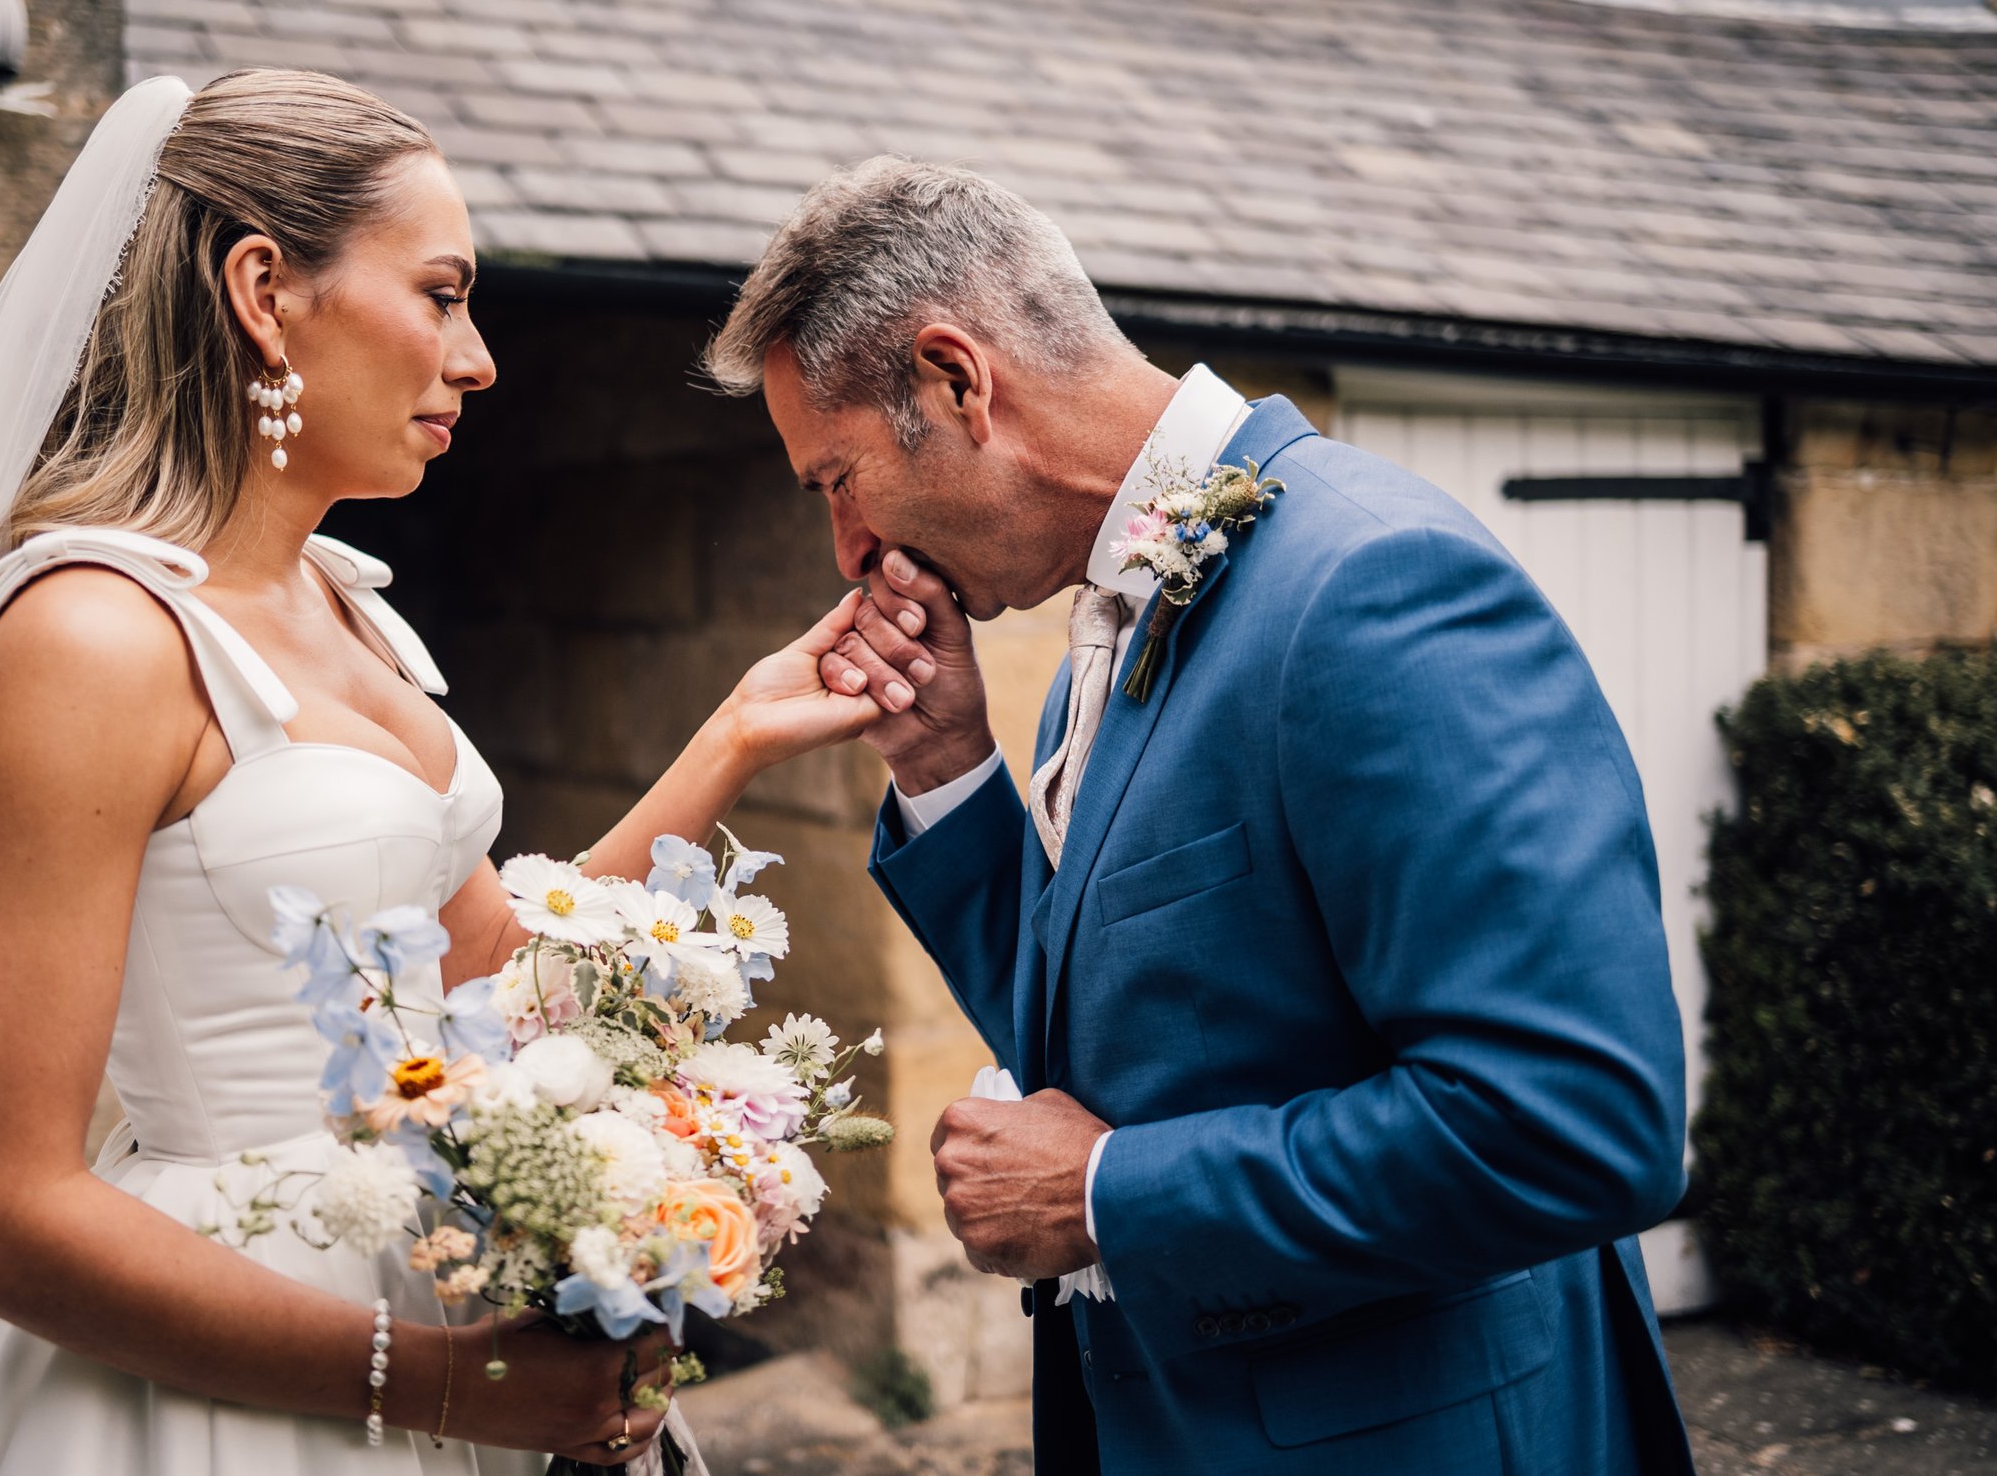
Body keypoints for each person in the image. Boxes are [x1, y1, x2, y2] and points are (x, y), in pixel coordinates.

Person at [0, 70, 883, 1476]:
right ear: (262, 289)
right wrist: (436, 1386)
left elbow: (482, 986)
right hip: (229, 1393)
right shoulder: (92, 636)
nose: (477, 359)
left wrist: (735, 734)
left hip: (446, 1311)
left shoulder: (352, 606)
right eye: (442, 293)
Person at [713, 157, 1699, 1474]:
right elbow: (1129, 1040)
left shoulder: (1372, 587)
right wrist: (945, 766)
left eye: (835, 478)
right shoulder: (1119, 618)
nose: (848, 552)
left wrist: (1108, 1193)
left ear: (959, 382)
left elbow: (1578, 1119)